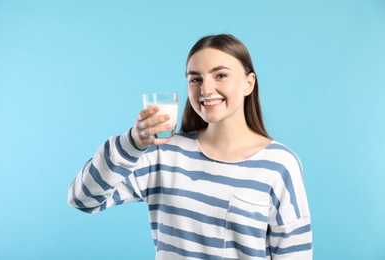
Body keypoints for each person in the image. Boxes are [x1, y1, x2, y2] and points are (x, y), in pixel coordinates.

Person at [68, 34, 312, 259]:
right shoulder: (163, 153)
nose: (205, 89)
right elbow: (83, 199)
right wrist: (131, 142)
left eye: (221, 75)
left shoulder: (280, 164)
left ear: (249, 83)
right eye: (195, 79)